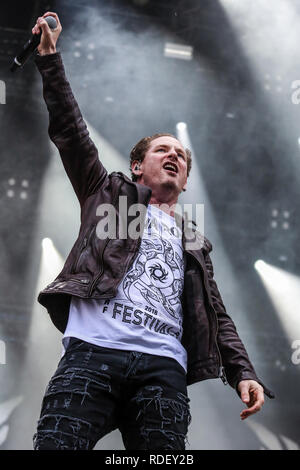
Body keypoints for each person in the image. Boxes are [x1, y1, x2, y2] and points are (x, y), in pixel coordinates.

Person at [32, 12, 274, 451]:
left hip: (163, 371)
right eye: (163, 149)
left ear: (184, 180)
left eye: (181, 155)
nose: (175, 156)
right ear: (138, 166)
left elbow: (216, 315)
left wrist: (244, 372)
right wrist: (50, 58)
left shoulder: (194, 240)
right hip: (93, 355)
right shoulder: (106, 193)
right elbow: (70, 130)